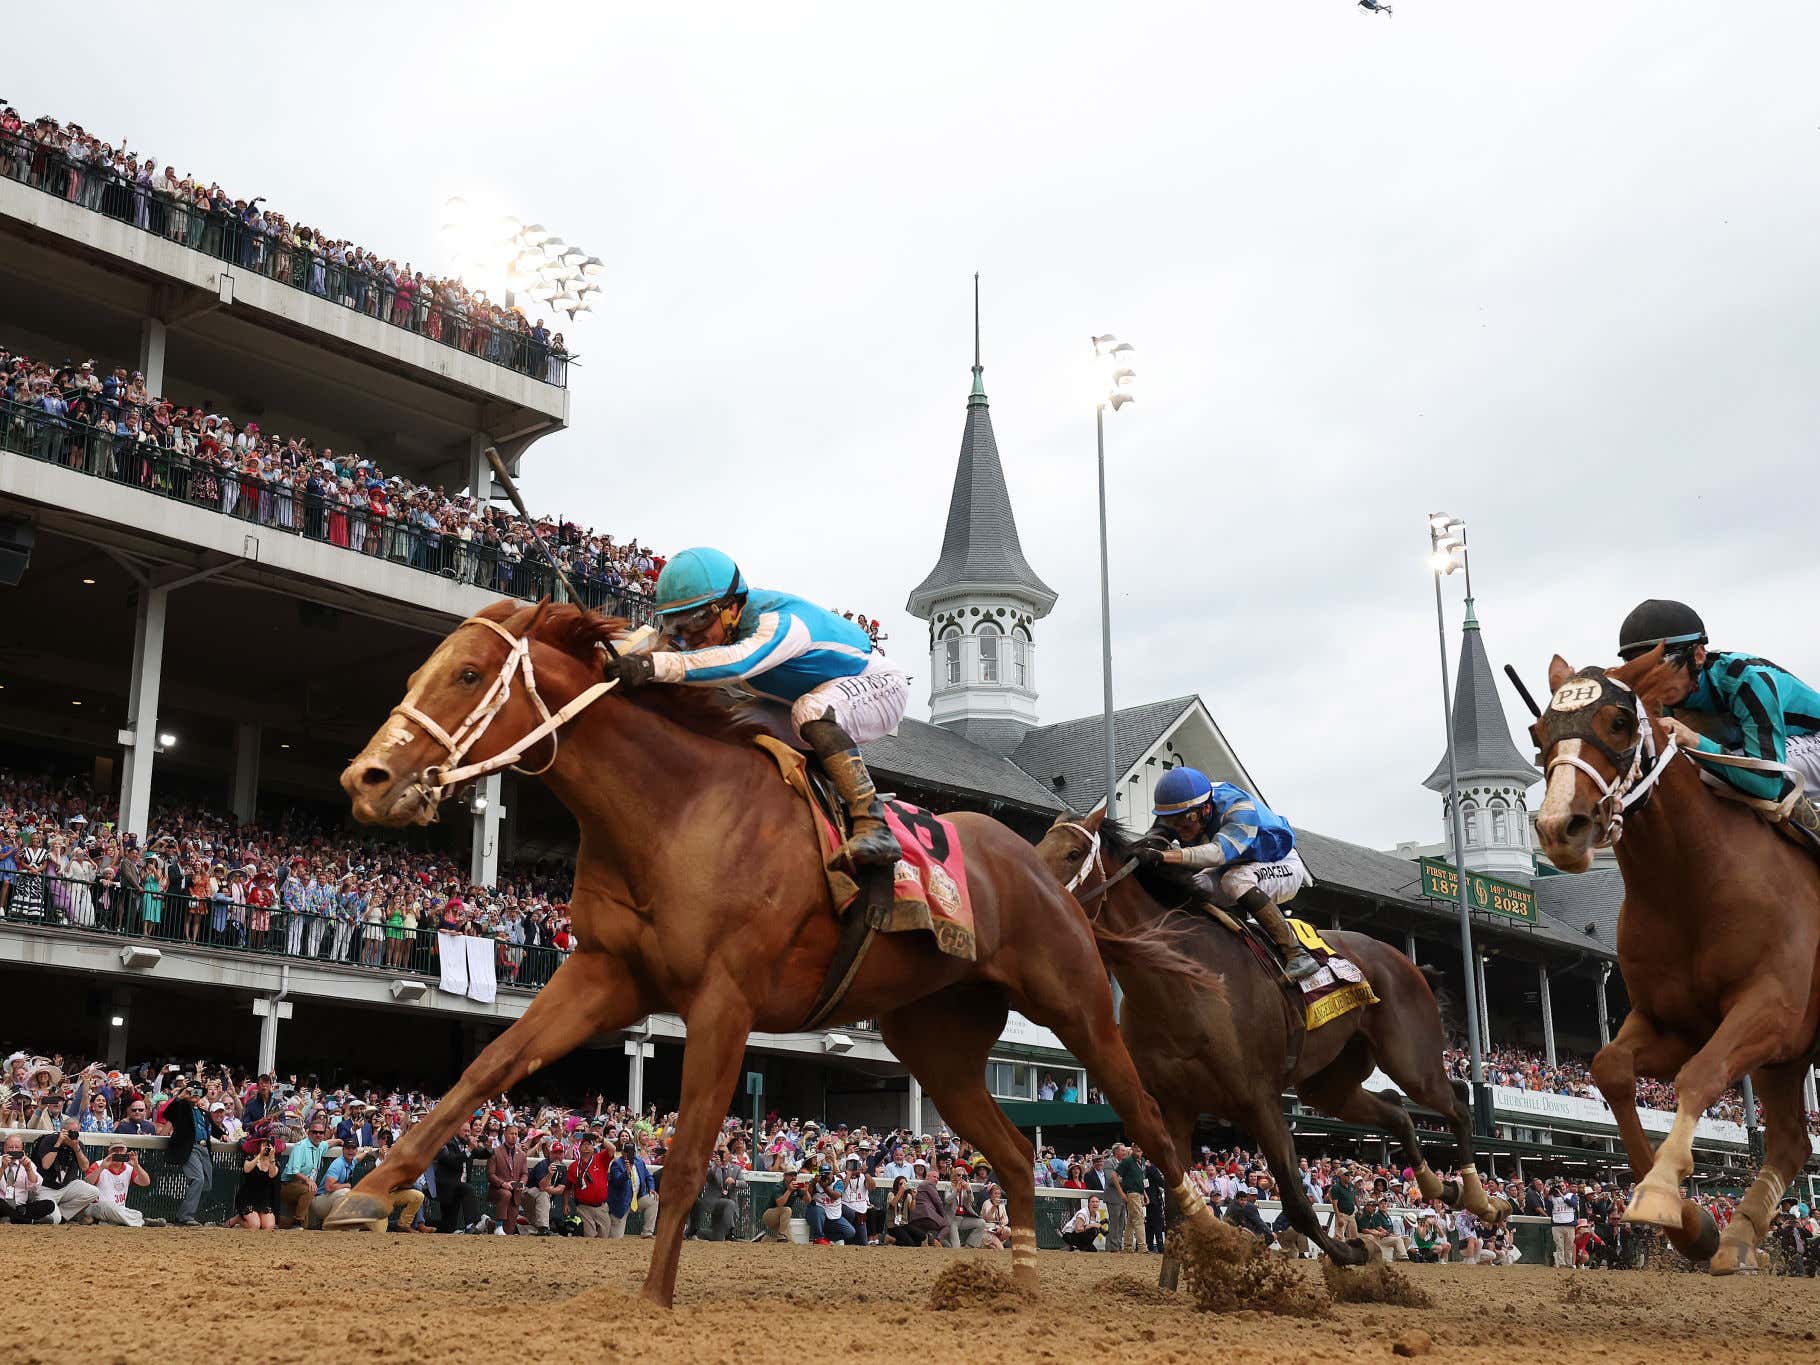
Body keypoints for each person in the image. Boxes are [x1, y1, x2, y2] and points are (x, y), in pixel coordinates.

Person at [601, 547, 911, 872]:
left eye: (697, 621)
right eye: (677, 624)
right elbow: (657, 649)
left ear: (732, 608)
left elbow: (737, 664)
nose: (690, 637)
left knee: (811, 710)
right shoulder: (714, 628)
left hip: (879, 686)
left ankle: (873, 824)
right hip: (796, 702)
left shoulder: (778, 622)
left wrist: (654, 665)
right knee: (733, 724)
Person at [1617, 599, 1820, 836]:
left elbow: (1767, 780)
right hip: (1759, 749)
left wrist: (1691, 739)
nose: (1650, 679)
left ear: (1698, 655)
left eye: (1661, 662)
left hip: (1812, 741)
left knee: (1717, 774)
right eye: (1638, 667)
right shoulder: (1662, 698)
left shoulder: (1748, 680)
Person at [1135, 766, 1319, 979]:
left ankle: (1296, 953)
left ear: (1204, 810)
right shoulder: (1182, 805)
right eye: (1172, 823)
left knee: (1235, 881)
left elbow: (1218, 854)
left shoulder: (1240, 808)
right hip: (1237, 864)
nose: (1179, 830)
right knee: (1197, 886)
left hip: (1281, 863)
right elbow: (1155, 838)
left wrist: (1165, 856)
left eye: (1185, 822)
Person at [161, 1079, 223, 1226]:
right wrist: (181, 1097)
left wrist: (222, 1135)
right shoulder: (182, 1107)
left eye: (198, 1092)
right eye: (191, 1091)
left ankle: (189, 1213)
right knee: (198, 1179)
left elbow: (213, 1128)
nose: (194, 1094)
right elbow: (167, 1114)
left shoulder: (203, 1112)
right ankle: (185, 1216)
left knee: (206, 1184)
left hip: (204, 1149)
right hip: (190, 1148)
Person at [33, 1117, 102, 1223]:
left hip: (66, 1186)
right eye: (70, 1132)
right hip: (46, 1187)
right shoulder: (48, 1140)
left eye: (76, 1132)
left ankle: (63, 1216)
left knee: (93, 1191)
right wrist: (58, 1142)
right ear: (62, 1131)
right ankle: (57, 1217)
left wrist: (76, 1148)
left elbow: (85, 1167)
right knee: (53, 1220)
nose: (72, 1135)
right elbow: (46, 1165)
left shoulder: (77, 1144)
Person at [85, 1144, 155, 1226]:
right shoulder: (98, 1164)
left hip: (119, 1209)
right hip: (97, 1206)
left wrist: (137, 1166)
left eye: (121, 1150)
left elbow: (145, 1182)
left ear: (125, 1152)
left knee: (120, 1211)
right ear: (109, 1152)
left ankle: (106, 1222)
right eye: (115, 1150)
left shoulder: (129, 1167)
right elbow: (87, 1183)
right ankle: (142, 1221)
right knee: (109, 1207)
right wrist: (102, 1167)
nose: (118, 1153)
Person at [234, 1137, 282, 1230]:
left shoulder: (275, 1163)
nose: (266, 1147)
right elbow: (247, 1169)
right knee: (254, 1225)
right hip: (248, 1198)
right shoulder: (251, 1157)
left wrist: (271, 1157)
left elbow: (272, 1175)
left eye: (268, 1145)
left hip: (264, 1200)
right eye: (264, 1145)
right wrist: (260, 1155)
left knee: (268, 1226)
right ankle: (238, 1219)